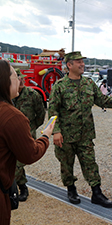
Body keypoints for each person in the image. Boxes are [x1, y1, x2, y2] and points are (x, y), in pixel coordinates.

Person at [48, 51, 112, 208]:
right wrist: (56, 131)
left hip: (85, 135)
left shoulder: (88, 83)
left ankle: (96, 193)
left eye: (82, 61)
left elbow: (102, 100)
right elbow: (53, 111)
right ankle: (71, 189)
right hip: (66, 136)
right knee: (66, 165)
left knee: (90, 164)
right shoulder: (60, 86)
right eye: (78, 62)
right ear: (69, 65)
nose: (82, 64)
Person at [0, 60, 54, 225]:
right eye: (15, 76)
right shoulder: (12, 116)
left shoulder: (30, 96)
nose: (19, 80)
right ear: (5, 81)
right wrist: (45, 136)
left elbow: (39, 114)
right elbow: (30, 154)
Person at [12, 68, 46, 202]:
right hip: (11, 134)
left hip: (27, 134)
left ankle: (21, 188)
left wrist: (31, 128)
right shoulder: (8, 95)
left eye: (22, 79)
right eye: (17, 78)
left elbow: (41, 115)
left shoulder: (33, 95)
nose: (21, 81)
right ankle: (19, 186)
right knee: (11, 161)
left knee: (17, 164)